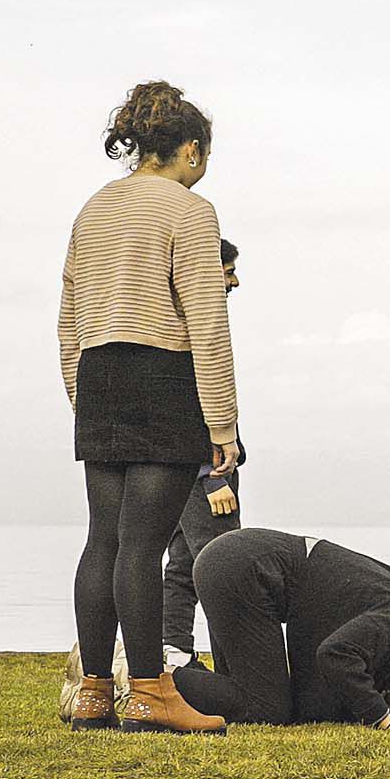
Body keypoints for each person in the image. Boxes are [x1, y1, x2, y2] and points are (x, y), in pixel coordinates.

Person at [58, 81, 239, 734]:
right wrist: (223, 423)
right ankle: (151, 695)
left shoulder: (93, 209)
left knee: (102, 540)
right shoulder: (191, 211)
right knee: (145, 545)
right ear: (190, 149)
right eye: (205, 156)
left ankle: (94, 694)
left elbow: (69, 321)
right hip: (164, 374)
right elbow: (207, 321)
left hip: (100, 375)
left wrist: (87, 398)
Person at [168, 527, 390, 728]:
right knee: (267, 709)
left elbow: (317, 698)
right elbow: (334, 656)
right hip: (242, 570)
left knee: (242, 692)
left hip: (241, 564)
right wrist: (380, 719)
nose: (387, 699)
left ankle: (170, 677)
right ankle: (155, 674)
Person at [161, 237, 245, 670]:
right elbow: (187, 403)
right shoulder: (195, 333)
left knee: (182, 564)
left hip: (178, 468)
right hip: (206, 470)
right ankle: (235, 665)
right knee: (223, 565)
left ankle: (174, 653)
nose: (235, 281)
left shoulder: (173, 323)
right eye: (228, 271)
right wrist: (212, 476)